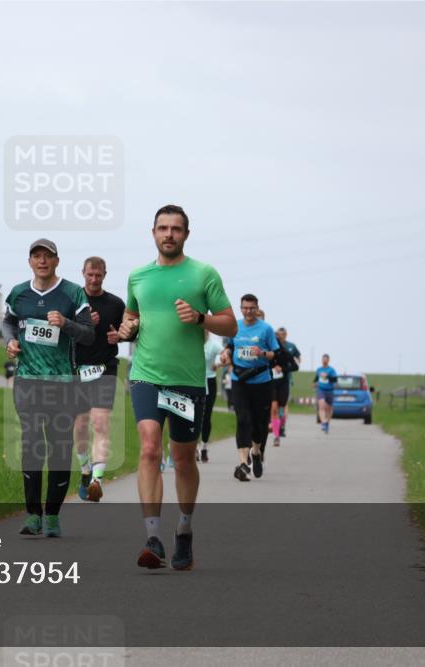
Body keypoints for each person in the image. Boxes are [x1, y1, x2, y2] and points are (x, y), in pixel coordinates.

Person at [119, 204, 236, 570]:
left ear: (186, 234)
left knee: (184, 459)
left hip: (187, 381)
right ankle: (152, 538)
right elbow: (132, 317)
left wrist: (202, 318)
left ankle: (183, 529)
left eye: (176, 229)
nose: (169, 234)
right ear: (152, 233)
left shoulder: (204, 274)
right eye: (162, 228)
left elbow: (230, 325)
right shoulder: (138, 276)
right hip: (146, 375)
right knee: (150, 448)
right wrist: (127, 329)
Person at [3, 239, 94, 538]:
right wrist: (10, 341)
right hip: (28, 380)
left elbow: (88, 336)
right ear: (30, 261)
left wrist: (66, 323)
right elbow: (8, 323)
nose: (42, 261)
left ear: (57, 261)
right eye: (36, 256)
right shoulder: (18, 293)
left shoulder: (72, 293)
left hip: (63, 383)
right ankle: (32, 515)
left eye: (48, 256)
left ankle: (52, 515)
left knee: (58, 448)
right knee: (31, 445)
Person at [73, 256, 125, 503]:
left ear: (105, 274)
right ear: (83, 273)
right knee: (80, 426)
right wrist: (83, 325)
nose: (94, 280)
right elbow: (61, 334)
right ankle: (85, 470)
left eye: (99, 275)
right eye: (90, 275)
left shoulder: (115, 303)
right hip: (77, 370)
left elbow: (128, 330)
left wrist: (121, 337)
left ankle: (97, 480)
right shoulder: (72, 299)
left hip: (105, 369)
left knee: (101, 424)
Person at [221, 294, 279, 482]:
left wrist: (262, 353)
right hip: (240, 380)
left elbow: (276, 355)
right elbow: (229, 346)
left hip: (261, 382)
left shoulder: (266, 329)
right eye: (245, 308)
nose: (248, 311)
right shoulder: (235, 327)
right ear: (240, 308)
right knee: (243, 419)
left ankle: (256, 451)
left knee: (259, 425)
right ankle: (243, 463)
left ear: (257, 308)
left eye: (251, 308)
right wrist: (226, 354)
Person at [270, 327, 301, 445]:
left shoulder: (286, 353)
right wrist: (272, 368)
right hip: (272, 383)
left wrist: (282, 368)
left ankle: (282, 423)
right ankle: (276, 436)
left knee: (281, 408)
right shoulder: (268, 354)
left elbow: (295, 367)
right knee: (274, 408)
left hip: (283, 383)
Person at [199, 330, 224, 462]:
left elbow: (225, 354)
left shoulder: (213, 345)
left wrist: (219, 363)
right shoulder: (192, 342)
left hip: (209, 380)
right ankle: (193, 447)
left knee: (206, 416)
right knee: (192, 416)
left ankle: (204, 447)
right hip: (194, 379)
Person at [314, 354, 339, 434]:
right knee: (321, 405)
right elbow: (316, 378)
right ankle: (323, 423)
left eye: (326, 359)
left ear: (328, 360)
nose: (324, 360)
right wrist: (314, 383)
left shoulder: (331, 370)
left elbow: (335, 379)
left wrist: (327, 377)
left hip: (330, 390)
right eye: (323, 359)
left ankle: (327, 422)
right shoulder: (319, 369)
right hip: (321, 390)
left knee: (329, 409)